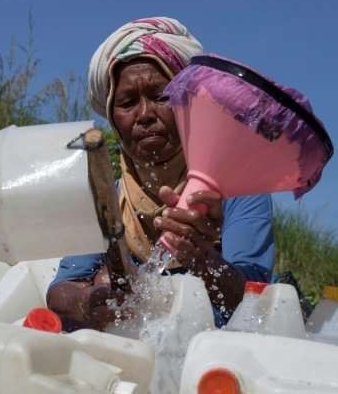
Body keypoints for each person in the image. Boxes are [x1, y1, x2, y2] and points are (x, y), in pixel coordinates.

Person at [46, 17, 274, 330]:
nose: (145, 115)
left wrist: (203, 257)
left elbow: (256, 302)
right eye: (127, 103)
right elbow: (62, 289)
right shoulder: (107, 200)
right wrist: (88, 302)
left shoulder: (238, 190)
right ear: (113, 119)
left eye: (161, 96)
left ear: (189, 105)